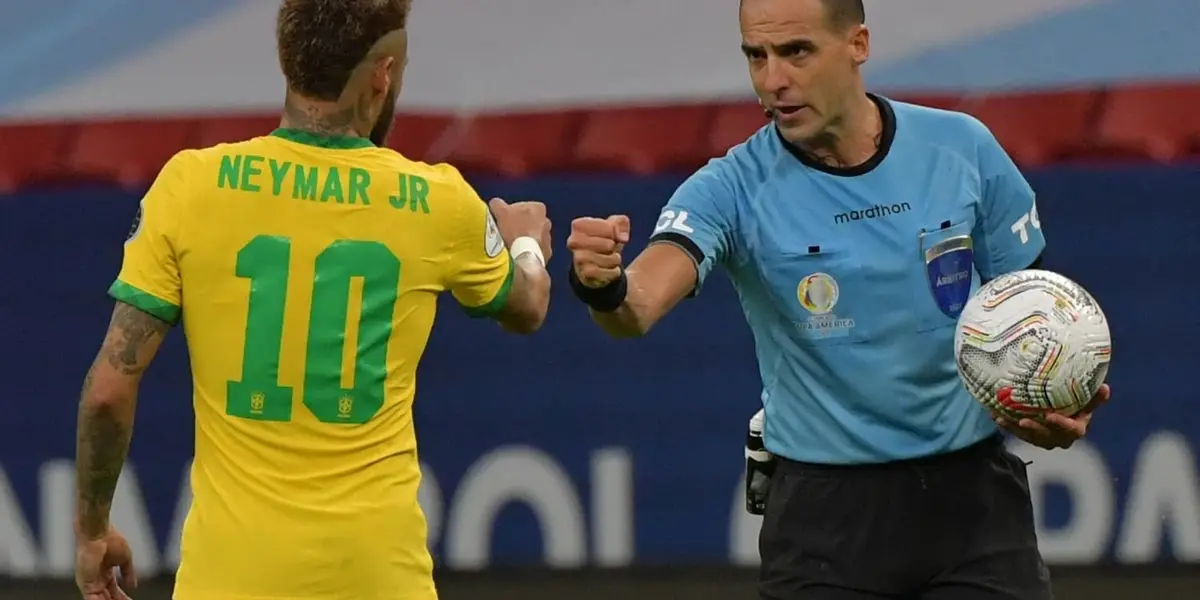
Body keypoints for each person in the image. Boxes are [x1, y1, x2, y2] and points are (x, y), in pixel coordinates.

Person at [566, 0, 1111, 598]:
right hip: (824, 526)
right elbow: (636, 307)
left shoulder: (962, 148)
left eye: (796, 52)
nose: (773, 80)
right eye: (757, 56)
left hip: (974, 509)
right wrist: (603, 284)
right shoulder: (729, 188)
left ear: (857, 44)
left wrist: (1052, 404)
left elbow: (1034, 307)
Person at [71, 1, 553, 599]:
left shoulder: (191, 186)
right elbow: (529, 305)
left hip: (232, 580)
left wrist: (92, 531)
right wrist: (525, 240)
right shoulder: (439, 202)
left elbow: (108, 391)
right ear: (383, 71)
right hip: (379, 579)